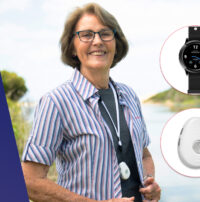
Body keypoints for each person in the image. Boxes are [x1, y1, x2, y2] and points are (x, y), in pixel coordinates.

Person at [21, 3, 161, 202]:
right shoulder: (56, 102)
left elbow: (144, 155)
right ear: (72, 48)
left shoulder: (129, 95)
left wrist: (150, 183)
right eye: (86, 35)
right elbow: (29, 181)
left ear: (116, 43)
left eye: (105, 33)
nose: (97, 41)